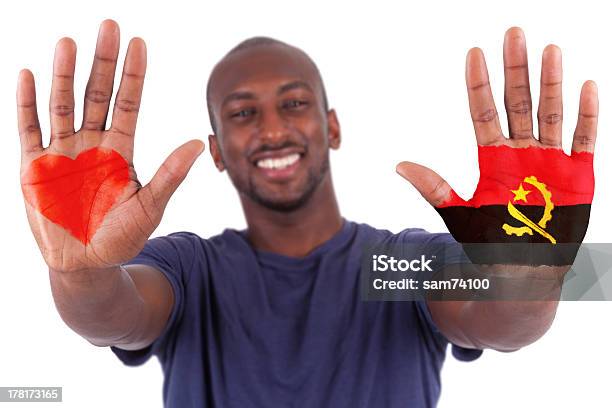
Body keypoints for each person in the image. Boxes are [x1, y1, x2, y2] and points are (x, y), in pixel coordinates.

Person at [17, 19, 598, 407]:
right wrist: (80, 271)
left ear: (333, 126)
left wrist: (526, 280)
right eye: (242, 113)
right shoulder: (193, 271)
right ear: (216, 151)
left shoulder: (400, 267)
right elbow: (109, 315)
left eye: (294, 103)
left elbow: (500, 323)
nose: (272, 128)